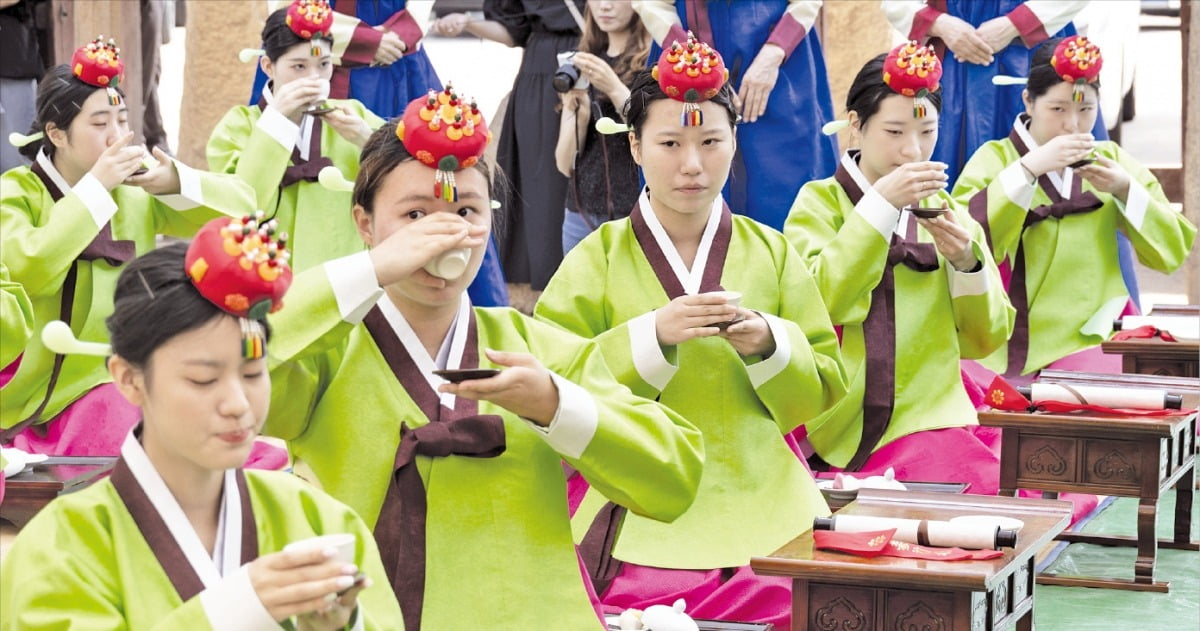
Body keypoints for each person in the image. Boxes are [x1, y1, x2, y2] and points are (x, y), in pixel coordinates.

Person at [263, 86, 704, 630]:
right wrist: (373, 271)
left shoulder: (536, 346)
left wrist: (554, 405)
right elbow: (241, 356)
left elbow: (675, 476)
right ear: (365, 224)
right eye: (415, 214)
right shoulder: (325, 350)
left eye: (466, 210)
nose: (443, 235)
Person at [535, 36, 845, 627]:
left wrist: (771, 346)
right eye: (670, 143)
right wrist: (651, 336)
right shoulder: (596, 257)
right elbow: (554, 382)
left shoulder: (772, 251)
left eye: (711, 141)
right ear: (634, 144)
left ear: (735, 141)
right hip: (639, 505)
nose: (693, 165)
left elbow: (825, 388)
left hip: (769, 501)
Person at [0, 218, 404, 630]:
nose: (237, 403)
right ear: (128, 378)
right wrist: (238, 608)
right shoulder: (59, 546)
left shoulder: (319, 519)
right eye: (202, 379)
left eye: (252, 374)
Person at [1, 38, 255, 459]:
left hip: (119, 372)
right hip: (36, 381)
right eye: (100, 124)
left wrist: (176, 182)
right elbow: (28, 269)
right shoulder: (17, 191)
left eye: (122, 120)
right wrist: (94, 191)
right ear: (56, 133)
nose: (117, 136)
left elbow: (243, 214)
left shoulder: (135, 193)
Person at [783, 42, 1013, 497]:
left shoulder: (946, 210)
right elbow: (818, 305)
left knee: (981, 494)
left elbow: (986, 337)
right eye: (894, 131)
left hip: (931, 410)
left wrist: (968, 265)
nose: (913, 150)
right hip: (837, 412)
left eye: (927, 132)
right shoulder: (818, 203)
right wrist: (880, 208)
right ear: (856, 125)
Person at [953, 36, 1196, 380]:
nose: (1072, 125)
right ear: (1028, 101)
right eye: (1058, 109)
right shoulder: (996, 159)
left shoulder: (1111, 160)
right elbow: (964, 239)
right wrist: (1026, 171)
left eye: (1086, 110)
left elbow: (1171, 249)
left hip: (1096, 330)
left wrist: (1126, 190)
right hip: (1008, 333)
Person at [632, 0, 838, 230]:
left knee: (787, 187)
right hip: (686, 58)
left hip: (779, 60)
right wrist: (700, 64)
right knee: (689, 166)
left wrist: (775, 52)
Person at [212, 0, 384, 274]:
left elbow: (400, 175)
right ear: (268, 66)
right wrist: (276, 121)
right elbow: (236, 203)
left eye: (324, 64)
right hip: (262, 272)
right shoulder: (238, 125)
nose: (314, 78)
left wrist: (365, 138)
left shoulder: (354, 114)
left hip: (344, 272)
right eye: (299, 67)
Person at [434, 0, 585, 306]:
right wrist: (467, 21)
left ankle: (587, 283)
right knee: (539, 188)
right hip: (540, 75)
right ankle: (542, 298)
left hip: (595, 59)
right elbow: (513, 29)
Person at [555, 0, 650, 254]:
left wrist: (615, 89)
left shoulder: (653, 62)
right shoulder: (581, 63)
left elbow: (653, 132)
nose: (604, 6)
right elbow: (564, 164)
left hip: (636, 213)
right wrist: (580, 114)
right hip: (579, 213)